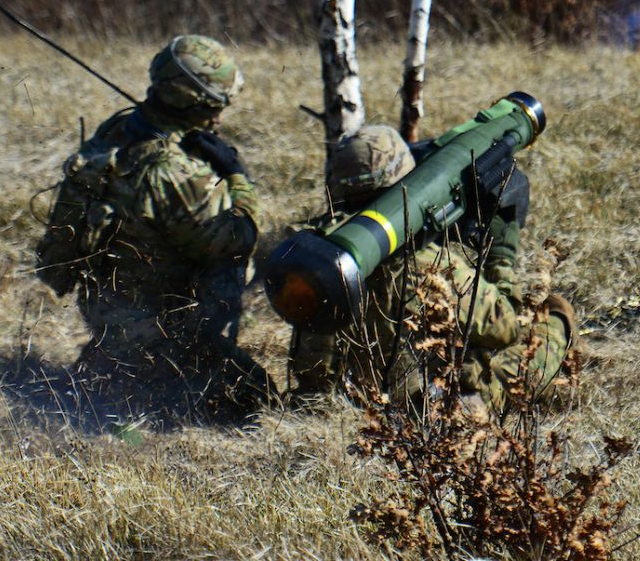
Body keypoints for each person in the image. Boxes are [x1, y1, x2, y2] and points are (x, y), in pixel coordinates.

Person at [35, 34, 275, 419]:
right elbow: (237, 240)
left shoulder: (115, 133)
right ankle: (155, 377)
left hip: (108, 316)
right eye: (217, 103)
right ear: (194, 101)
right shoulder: (171, 172)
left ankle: (111, 363)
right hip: (167, 332)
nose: (221, 115)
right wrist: (236, 176)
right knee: (257, 398)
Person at [287, 125, 574, 419]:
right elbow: (505, 328)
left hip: (353, 398)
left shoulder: (322, 260)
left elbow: (314, 370)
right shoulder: (427, 267)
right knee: (555, 314)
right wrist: (501, 250)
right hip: (431, 410)